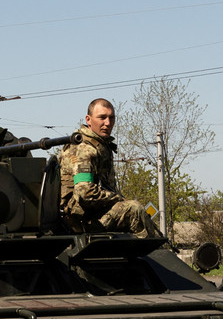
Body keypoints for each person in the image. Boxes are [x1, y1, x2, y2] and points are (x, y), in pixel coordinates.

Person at [58, 97, 157, 237]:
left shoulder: (99, 145)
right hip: (79, 222)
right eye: (102, 117)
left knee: (137, 212)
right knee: (134, 210)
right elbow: (85, 192)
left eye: (111, 118)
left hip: (92, 216)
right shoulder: (84, 148)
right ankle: (149, 255)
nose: (108, 123)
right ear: (88, 119)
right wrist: (116, 198)